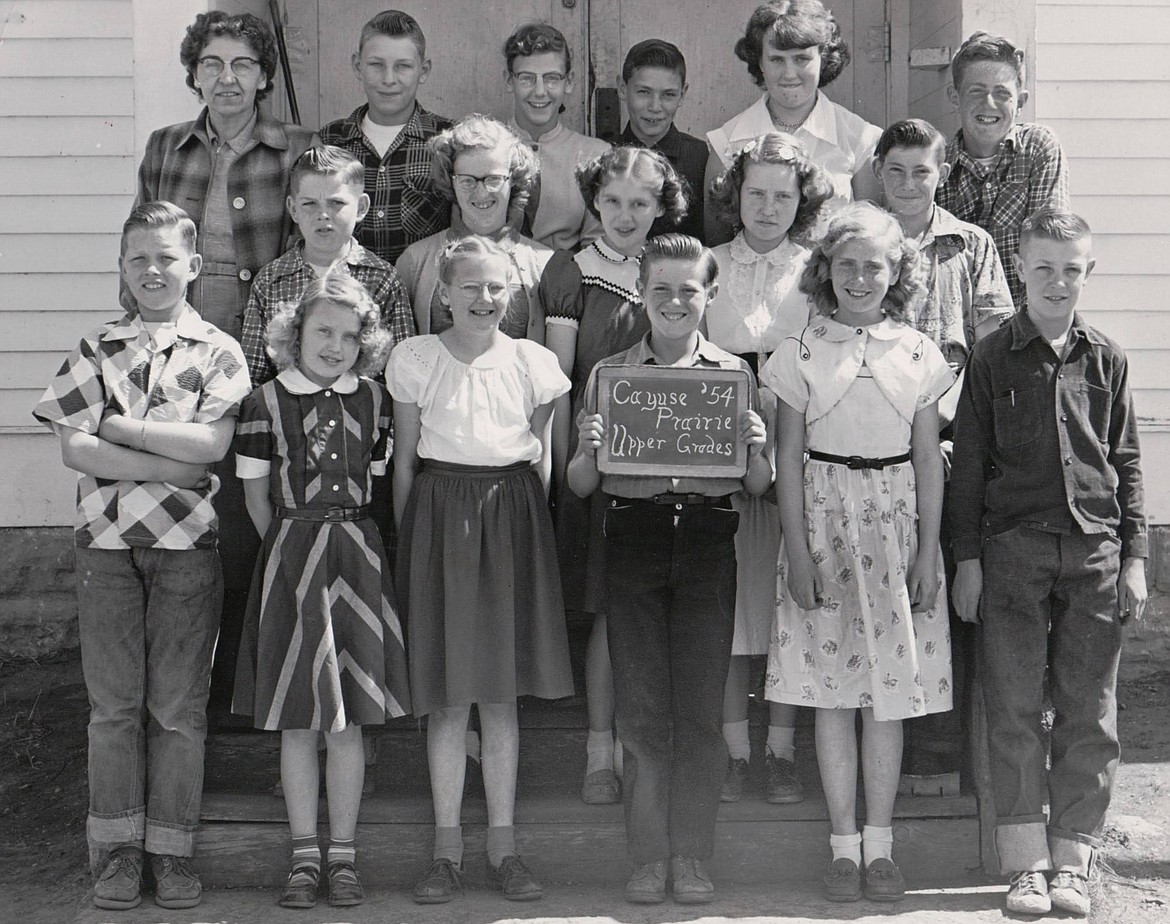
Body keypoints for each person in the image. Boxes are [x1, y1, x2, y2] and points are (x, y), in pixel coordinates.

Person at [33, 202, 252, 911]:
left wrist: (118, 430)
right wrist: (166, 459)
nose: (152, 271)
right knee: (114, 709)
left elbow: (211, 448)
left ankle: (173, 851)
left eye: (166, 257)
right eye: (138, 259)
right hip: (105, 550)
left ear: (193, 265)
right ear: (121, 269)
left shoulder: (218, 348)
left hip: (188, 550)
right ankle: (118, 853)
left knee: (177, 709)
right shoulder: (97, 346)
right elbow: (74, 447)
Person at [950, 209, 1147, 918]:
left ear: (1087, 272)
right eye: (1043, 268)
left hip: (1094, 554)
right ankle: (1025, 863)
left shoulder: (1107, 358)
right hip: (1012, 554)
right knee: (1011, 706)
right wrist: (967, 559)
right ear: (1019, 271)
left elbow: (1125, 461)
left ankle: (1073, 859)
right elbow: (967, 466)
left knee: (1090, 710)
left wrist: (1135, 556)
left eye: (1071, 269)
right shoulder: (991, 356)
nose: (1057, 282)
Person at [567, 233, 771, 905]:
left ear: (709, 295)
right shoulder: (610, 375)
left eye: (690, 290)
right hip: (635, 540)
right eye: (662, 290)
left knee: (702, 712)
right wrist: (590, 451)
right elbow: (578, 485)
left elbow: (759, 484)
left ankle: (691, 857)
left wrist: (758, 451)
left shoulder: (735, 375)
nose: (676, 301)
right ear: (642, 295)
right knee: (646, 710)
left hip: (710, 544)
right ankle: (648, 858)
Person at [761, 203, 955, 903]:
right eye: (846, 264)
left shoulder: (917, 352)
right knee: (833, 695)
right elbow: (786, 459)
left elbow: (930, 459)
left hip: (895, 527)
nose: (860, 277)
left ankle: (881, 846)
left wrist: (928, 552)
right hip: (823, 524)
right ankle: (842, 846)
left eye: (874, 265)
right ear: (824, 271)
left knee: (887, 699)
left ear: (897, 270)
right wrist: (799, 553)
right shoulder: (802, 352)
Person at [135, 10, 317, 722]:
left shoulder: (297, 147)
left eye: (243, 64)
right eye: (212, 64)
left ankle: (243, 696)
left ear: (265, 75)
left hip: (263, 370)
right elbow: (142, 256)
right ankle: (186, 700)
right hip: (181, 368)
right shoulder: (165, 148)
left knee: (248, 526)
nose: (227, 78)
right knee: (185, 524)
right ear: (194, 73)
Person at [388, 237, 573, 905]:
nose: (484, 299)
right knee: (446, 698)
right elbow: (405, 460)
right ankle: (446, 848)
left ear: (513, 296)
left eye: (497, 288)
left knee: (499, 697)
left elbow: (544, 458)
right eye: (469, 286)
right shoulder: (417, 360)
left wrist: (529, 531)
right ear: (443, 292)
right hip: (440, 514)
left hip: (511, 517)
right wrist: (416, 544)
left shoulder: (534, 362)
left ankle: (503, 844)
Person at [231, 274, 410, 910]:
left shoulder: (376, 401)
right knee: (300, 716)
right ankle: (303, 854)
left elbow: (380, 476)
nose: (335, 345)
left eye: (349, 334)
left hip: (358, 557)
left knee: (348, 717)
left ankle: (343, 855)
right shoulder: (265, 402)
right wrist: (292, 545)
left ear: (366, 341)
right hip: (292, 554)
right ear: (293, 336)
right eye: (321, 331)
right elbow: (255, 493)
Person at [541, 146, 687, 805]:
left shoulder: (678, 270)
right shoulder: (574, 271)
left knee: (657, 612)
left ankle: (649, 752)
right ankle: (600, 751)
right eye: (614, 201)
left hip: (670, 465)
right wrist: (574, 464)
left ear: (662, 209)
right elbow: (560, 379)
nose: (626, 215)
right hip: (599, 462)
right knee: (606, 610)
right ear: (595, 203)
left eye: (641, 203)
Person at [872, 118, 1014, 793]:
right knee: (875, 595)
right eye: (895, 170)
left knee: (937, 595)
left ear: (941, 174)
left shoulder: (970, 246)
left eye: (920, 171)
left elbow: (992, 349)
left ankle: (935, 758)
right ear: (877, 172)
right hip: (867, 446)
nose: (907, 184)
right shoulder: (857, 241)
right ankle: (876, 753)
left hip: (950, 446)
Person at [704, 132, 832, 805]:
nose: (768, 206)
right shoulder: (709, 264)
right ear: (735, 194)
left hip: (795, 447)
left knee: (787, 609)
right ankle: (734, 750)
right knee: (732, 614)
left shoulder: (816, 271)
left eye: (784, 195)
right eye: (756, 191)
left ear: (801, 200)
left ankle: (781, 750)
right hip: (720, 456)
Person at [705, 0, 882, 244]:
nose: (789, 74)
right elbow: (717, 244)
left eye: (801, 59)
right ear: (760, 63)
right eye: (777, 59)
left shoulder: (861, 138)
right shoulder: (726, 142)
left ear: (823, 57)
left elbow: (870, 238)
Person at [239, 145, 414, 389]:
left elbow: (402, 369)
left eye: (336, 203)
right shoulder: (271, 279)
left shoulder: (383, 278)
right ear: (293, 209)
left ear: (361, 208)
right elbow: (254, 371)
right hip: (286, 413)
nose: (323, 214)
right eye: (310, 204)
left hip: (363, 413)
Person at [936, 32, 1070, 307]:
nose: (989, 103)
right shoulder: (938, 166)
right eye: (976, 90)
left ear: (1020, 102)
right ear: (954, 96)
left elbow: (1048, 247)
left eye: (1002, 93)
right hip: (960, 323)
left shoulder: (1037, 147)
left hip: (1027, 320)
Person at [396, 115, 550, 341]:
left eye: (494, 179)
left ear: (514, 180)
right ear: (450, 181)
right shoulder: (415, 261)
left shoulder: (542, 263)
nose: (481, 192)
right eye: (467, 180)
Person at [320, 9, 453, 265]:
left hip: (422, 298)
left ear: (423, 70)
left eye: (403, 66)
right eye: (376, 65)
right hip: (345, 296)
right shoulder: (330, 141)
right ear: (358, 66)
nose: (388, 79)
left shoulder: (448, 142)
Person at [504, 22, 610, 251]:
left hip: (566, 279)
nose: (540, 91)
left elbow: (597, 247)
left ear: (568, 82)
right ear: (509, 80)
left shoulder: (595, 154)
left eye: (552, 78)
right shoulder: (486, 146)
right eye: (526, 78)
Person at [617, 39, 707, 240]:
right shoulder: (604, 155)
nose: (655, 106)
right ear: (622, 88)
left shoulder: (699, 157)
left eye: (668, 95)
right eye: (644, 92)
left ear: (682, 95)